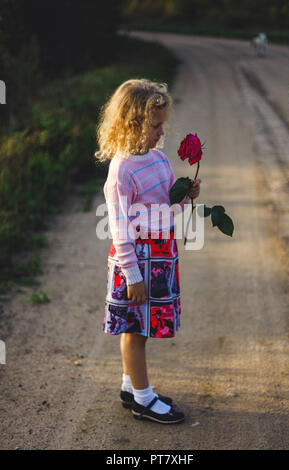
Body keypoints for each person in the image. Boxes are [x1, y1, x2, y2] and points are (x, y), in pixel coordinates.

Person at [95, 78, 201, 424]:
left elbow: (168, 210)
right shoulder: (122, 171)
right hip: (137, 262)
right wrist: (132, 275)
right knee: (135, 330)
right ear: (133, 124)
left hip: (161, 256)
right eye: (155, 126)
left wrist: (186, 197)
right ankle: (142, 399)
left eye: (162, 125)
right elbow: (120, 229)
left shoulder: (157, 159)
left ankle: (131, 387)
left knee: (143, 328)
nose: (160, 132)